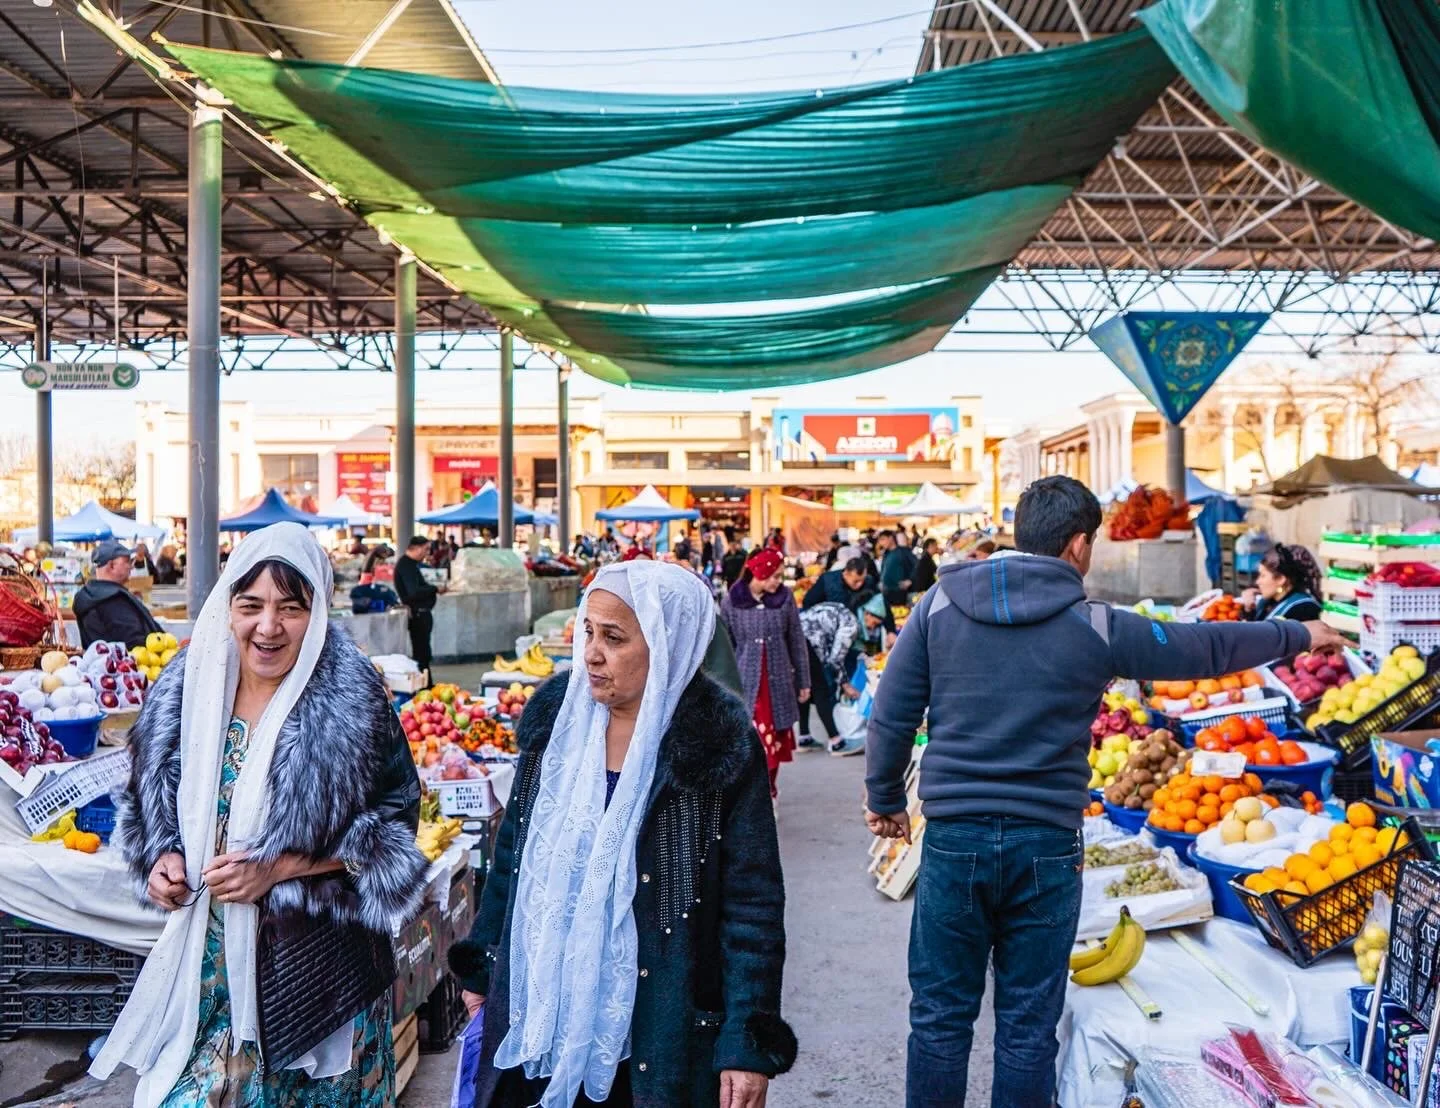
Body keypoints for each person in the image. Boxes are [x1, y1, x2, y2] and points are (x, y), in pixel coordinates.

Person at [863, 475, 1346, 1108]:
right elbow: (1203, 647)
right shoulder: (1096, 626)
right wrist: (1297, 635)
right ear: (1080, 546)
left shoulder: (939, 605)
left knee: (939, 1020)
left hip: (955, 840)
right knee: (1028, 1028)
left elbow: (892, 715)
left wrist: (885, 800)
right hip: (1046, 846)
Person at [92, 522, 426, 1105]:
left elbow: (397, 827)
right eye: (250, 605)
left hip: (312, 975)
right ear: (228, 605)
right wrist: (164, 854)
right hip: (210, 970)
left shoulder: (353, 703)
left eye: (290, 609)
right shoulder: (187, 687)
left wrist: (279, 869)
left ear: (316, 612)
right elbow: (147, 801)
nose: (268, 627)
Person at [449, 561, 795, 1108]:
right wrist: (484, 964)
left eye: (614, 638)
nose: (590, 652)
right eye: (588, 631)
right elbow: (514, 857)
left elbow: (752, 905)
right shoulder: (555, 730)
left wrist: (745, 1044)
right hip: (541, 1011)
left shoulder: (715, 749)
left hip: (661, 1026)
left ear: (665, 643)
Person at [720, 549, 810, 801]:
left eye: (780, 577)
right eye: (773, 576)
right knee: (753, 738)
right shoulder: (732, 601)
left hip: (777, 683)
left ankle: (769, 789)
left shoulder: (784, 599)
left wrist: (803, 681)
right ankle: (755, 792)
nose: (777, 582)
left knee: (774, 739)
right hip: (745, 684)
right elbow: (725, 646)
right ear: (758, 573)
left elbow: (796, 640)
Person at [796, 600, 865, 757]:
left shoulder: (844, 611)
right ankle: (836, 742)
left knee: (804, 687)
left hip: (798, 638)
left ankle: (804, 737)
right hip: (809, 644)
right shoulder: (851, 625)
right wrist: (845, 684)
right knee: (820, 690)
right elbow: (835, 659)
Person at [73, 541, 163, 649]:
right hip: (135, 663)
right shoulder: (113, 599)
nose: (131, 566)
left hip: (101, 663)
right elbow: (134, 642)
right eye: (127, 562)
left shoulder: (89, 595)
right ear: (111, 566)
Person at [1243, 542, 1324, 622]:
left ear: (1281, 579)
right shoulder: (1266, 603)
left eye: (1263, 575)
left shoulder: (1303, 609)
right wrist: (1248, 609)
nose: (1257, 582)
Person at [395, 535, 439, 678]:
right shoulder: (406, 565)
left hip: (422, 614)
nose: (427, 553)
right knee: (421, 654)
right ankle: (424, 686)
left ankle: (426, 684)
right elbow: (413, 592)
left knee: (423, 653)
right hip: (418, 615)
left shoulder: (411, 565)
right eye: (426, 549)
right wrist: (434, 588)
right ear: (417, 548)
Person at [880, 530, 917, 607]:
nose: (881, 543)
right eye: (880, 540)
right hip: (886, 592)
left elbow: (917, 565)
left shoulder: (903, 551)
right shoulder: (886, 553)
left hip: (899, 592)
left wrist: (910, 580)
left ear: (890, 538)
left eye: (883, 539)